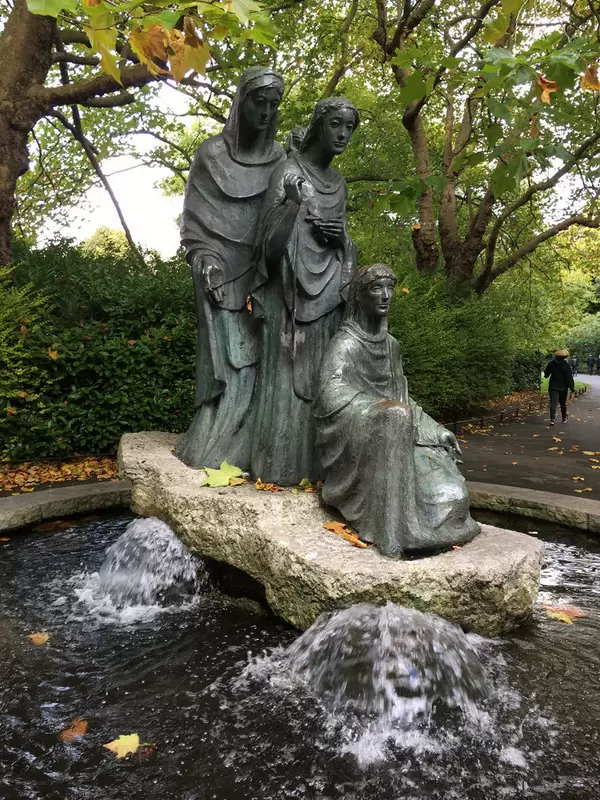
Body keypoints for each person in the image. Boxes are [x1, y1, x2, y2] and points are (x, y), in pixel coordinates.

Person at [313, 264, 480, 558]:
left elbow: (403, 398)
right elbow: (330, 393)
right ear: (359, 296)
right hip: (363, 441)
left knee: (453, 496)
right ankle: (394, 533)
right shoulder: (345, 344)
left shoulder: (392, 347)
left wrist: (437, 430)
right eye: (376, 289)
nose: (385, 295)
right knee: (396, 415)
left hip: (399, 436)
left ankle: (417, 529)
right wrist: (381, 412)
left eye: (390, 288)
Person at [175, 67, 286, 470]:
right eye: (259, 102)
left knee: (265, 357)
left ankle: (260, 443)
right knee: (231, 359)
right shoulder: (210, 155)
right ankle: (215, 440)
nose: (266, 112)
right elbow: (193, 226)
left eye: (274, 104)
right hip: (220, 269)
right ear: (242, 102)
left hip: (263, 273)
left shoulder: (281, 160)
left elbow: (282, 221)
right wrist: (204, 261)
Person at [250, 97, 359, 485]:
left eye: (349, 127)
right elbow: (266, 246)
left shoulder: (338, 185)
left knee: (322, 380)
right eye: (336, 124)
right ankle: (279, 469)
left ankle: (320, 471)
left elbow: (345, 245)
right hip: (288, 296)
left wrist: (342, 240)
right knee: (286, 382)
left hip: (329, 293)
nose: (343, 134)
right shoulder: (288, 171)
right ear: (318, 125)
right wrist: (293, 205)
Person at [544, 349, 574, 426]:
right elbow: (569, 378)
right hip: (563, 387)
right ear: (565, 357)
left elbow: (546, 375)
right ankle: (564, 417)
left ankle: (552, 419)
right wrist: (572, 388)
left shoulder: (551, 364)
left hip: (553, 386)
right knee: (562, 403)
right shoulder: (566, 365)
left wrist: (547, 373)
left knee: (553, 403)